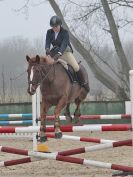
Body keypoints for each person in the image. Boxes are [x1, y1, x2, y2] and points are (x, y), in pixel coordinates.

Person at [45, 15, 89, 91]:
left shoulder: (65, 32)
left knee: (76, 67)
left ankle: (83, 83)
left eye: (56, 26)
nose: (55, 28)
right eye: (53, 27)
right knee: (45, 65)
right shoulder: (49, 32)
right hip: (54, 52)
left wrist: (59, 53)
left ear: (60, 25)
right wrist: (47, 49)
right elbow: (47, 42)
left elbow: (64, 44)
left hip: (65, 52)